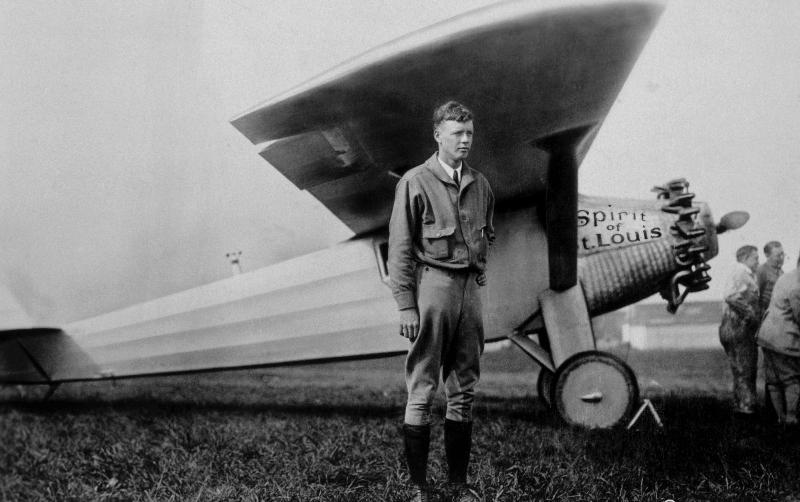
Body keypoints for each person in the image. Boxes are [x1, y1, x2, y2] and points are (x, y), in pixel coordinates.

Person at [388, 101, 494, 502]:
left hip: (470, 291)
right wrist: (405, 304)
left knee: (464, 387)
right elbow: (399, 247)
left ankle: (458, 484)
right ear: (438, 136)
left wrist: (480, 266)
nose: (465, 140)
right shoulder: (415, 182)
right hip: (432, 287)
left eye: (469, 133)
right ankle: (418, 488)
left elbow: (487, 233)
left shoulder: (480, 184)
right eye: (457, 134)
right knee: (423, 386)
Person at [756, 253, 800, 425]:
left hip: (767, 336)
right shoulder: (797, 286)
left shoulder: (786, 277)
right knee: (792, 379)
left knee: (774, 380)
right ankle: (790, 418)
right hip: (784, 340)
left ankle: (780, 418)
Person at [719, 245, 761, 417]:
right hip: (738, 327)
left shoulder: (742, 272)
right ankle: (746, 408)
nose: (758, 262)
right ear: (745, 258)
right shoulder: (741, 272)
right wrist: (750, 314)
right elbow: (730, 296)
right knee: (745, 368)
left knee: (740, 368)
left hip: (732, 326)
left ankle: (741, 405)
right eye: (755, 258)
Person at [757, 241, 785, 314]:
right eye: (778, 255)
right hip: (767, 314)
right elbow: (756, 296)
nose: (782, 258)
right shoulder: (761, 271)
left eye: (783, 254)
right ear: (767, 255)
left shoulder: (781, 272)